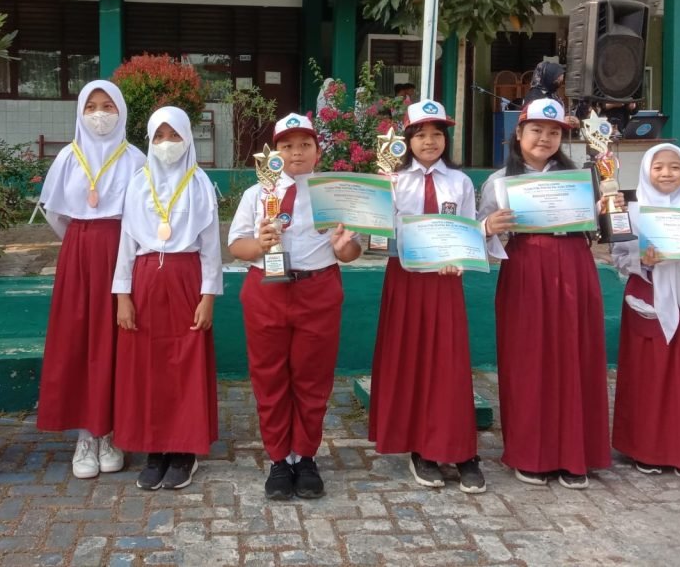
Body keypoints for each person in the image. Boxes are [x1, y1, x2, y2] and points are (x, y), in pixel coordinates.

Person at [477, 98, 613, 489]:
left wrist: (606, 209)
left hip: (574, 266)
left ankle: (576, 454)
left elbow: (601, 229)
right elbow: (476, 234)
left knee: (576, 355)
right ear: (518, 133)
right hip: (525, 269)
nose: (545, 138)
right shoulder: (499, 181)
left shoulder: (581, 178)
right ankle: (531, 453)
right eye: (536, 130)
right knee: (529, 358)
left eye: (554, 132)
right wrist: (488, 226)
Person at [227, 113, 362, 500]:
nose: (296, 153)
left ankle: (305, 457)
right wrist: (261, 243)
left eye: (305, 145)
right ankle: (277, 460)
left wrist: (344, 247)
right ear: (274, 153)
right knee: (269, 377)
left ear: (318, 151)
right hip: (266, 291)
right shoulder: (257, 194)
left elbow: (351, 252)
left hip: (317, 289)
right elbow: (237, 246)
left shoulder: (335, 192)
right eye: (287, 146)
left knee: (312, 378)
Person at [368, 99, 488, 494]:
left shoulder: (460, 182)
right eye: (421, 134)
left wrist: (461, 259)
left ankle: (461, 449)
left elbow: (469, 230)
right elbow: (378, 235)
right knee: (411, 360)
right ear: (406, 141)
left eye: (438, 134)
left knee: (450, 363)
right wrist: (375, 201)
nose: (430, 141)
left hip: (445, 281)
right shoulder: (393, 181)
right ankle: (421, 447)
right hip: (404, 279)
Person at [36, 81, 145, 479]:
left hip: (123, 248)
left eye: (108, 106)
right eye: (92, 106)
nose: (100, 114)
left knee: (116, 340)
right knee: (79, 339)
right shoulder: (68, 156)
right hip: (79, 256)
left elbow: (147, 210)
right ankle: (86, 434)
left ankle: (111, 431)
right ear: (80, 112)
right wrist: (81, 243)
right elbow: (55, 212)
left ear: (122, 112)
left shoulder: (136, 159)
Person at [112, 106, 222, 491]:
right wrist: (122, 295)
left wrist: (208, 295)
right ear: (149, 140)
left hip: (186, 277)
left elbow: (210, 247)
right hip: (144, 280)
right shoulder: (138, 183)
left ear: (188, 137)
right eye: (159, 136)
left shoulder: (200, 184)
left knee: (184, 362)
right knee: (147, 364)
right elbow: (126, 242)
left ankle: (184, 450)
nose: (166, 144)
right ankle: (154, 448)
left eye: (174, 136)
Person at [611, 144, 680, 478]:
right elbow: (619, 259)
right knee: (648, 374)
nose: (667, 174)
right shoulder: (631, 210)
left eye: (674, 167)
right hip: (647, 293)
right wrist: (643, 260)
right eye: (658, 168)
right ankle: (646, 449)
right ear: (646, 171)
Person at [523, 61, 580, 128]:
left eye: (561, 78)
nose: (560, 80)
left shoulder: (553, 94)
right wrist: (561, 120)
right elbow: (539, 118)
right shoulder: (534, 96)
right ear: (548, 77)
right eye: (557, 78)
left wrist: (571, 118)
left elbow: (558, 111)